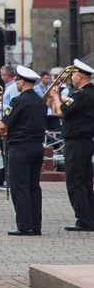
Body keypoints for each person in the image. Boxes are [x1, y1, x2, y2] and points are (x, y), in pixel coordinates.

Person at [0, 66, 46, 235]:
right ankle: (36, 225)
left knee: (20, 187)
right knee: (34, 186)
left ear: (22, 81)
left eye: (18, 80)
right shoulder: (40, 101)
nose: (16, 83)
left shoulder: (18, 101)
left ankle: (25, 225)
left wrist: (0, 130)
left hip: (20, 148)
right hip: (37, 147)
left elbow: (3, 124)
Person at [48, 59, 94, 231]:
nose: (72, 78)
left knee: (76, 182)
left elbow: (65, 111)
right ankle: (89, 217)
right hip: (85, 141)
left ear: (80, 76)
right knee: (85, 181)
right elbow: (62, 112)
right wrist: (57, 101)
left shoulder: (82, 95)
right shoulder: (88, 94)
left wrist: (55, 96)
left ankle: (84, 220)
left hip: (76, 142)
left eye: (74, 75)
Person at [0, 65, 20, 191]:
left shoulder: (14, 87)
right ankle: (1, 180)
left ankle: (6, 180)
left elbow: (14, 105)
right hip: (5, 120)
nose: (1, 77)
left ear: (5, 75)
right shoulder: (9, 87)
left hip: (9, 122)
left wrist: (0, 107)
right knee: (4, 153)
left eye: (2, 74)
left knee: (8, 153)